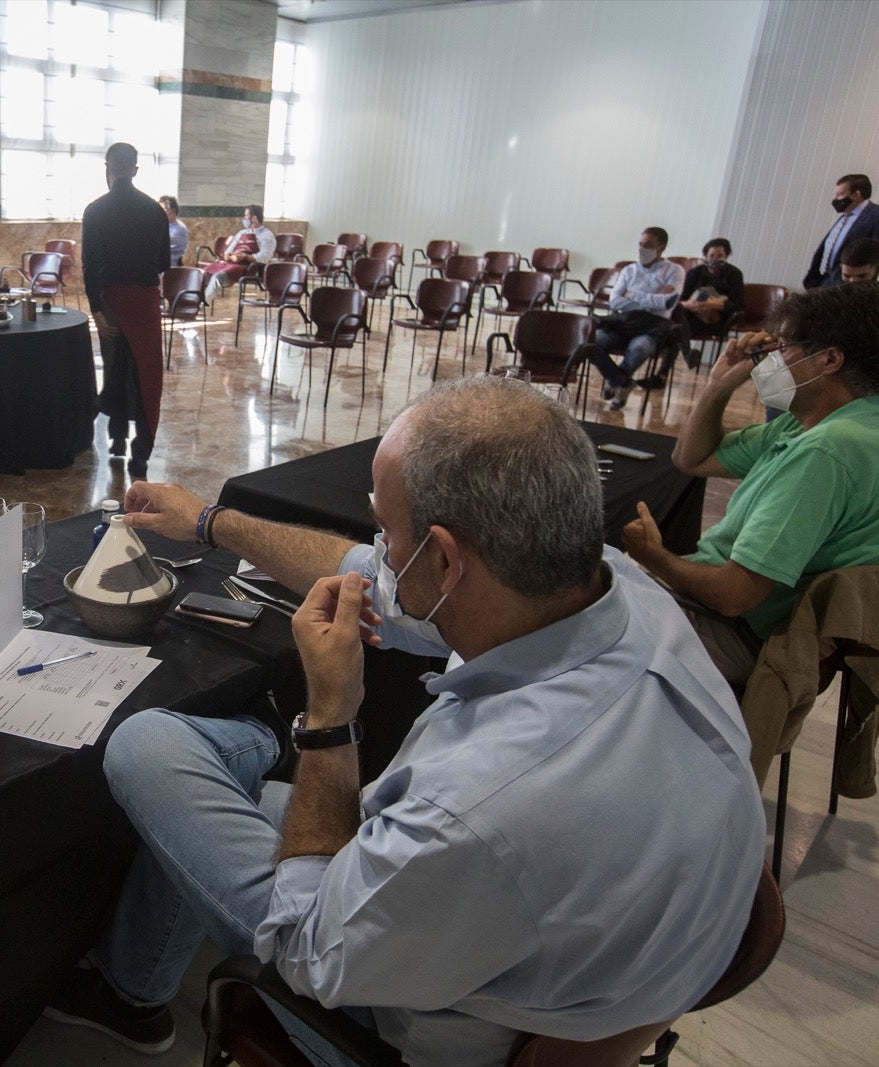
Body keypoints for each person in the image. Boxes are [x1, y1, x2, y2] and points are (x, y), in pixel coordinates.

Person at [45, 376, 765, 1067]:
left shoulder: (478, 805)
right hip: (591, 969)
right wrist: (211, 521)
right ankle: (138, 975)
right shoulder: (616, 585)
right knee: (220, 772)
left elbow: (311, 947)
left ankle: (250, 767)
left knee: (144, 745)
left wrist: (329, 719)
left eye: (387, 528)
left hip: (424, 1030)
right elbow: (379, 583)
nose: (380, 553)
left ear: (447, 558)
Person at [622, 282, 879, 687]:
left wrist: (654, 557)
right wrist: (719, 385)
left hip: (736, 637)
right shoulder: (860, 421)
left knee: (563, 616)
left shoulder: (828, 452)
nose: (770, 361)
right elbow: (689, 459)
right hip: (743, 623)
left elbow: (733, 595)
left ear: (829, 359)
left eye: (784, 348)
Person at [81, 143, 171, 478]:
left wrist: (97, 310)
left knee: (115, 371)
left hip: (112, 303)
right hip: (145, 303)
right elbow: (163, 263)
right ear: (135, 169)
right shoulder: (155, 211)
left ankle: (116, 440)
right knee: (147, 381)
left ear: (108, 168)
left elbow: (91, 266)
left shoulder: (95, 210)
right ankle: (141, 456)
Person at [584, 227, 683, 410]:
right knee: (591, 342)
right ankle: (621, 381)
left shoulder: (674, 271)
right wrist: (653, 298)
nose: (641, 249)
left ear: (661, 247)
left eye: (648, 245)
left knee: (639, 348)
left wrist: (631, 295)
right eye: (640, 244)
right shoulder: (629, 270)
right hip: (624, 322)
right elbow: (615, 301)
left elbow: (668, 303)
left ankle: (614, 381)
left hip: (652, 326)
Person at [644, 237, 745, 386]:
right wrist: (690, 304)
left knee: (676, 330)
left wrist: (714, 304)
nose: (715, 260)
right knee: (676, 326)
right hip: (690, 318)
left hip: (716, 321)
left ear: (727, 256)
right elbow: (680, 300)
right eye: (711, 256)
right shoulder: (695, 273)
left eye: (720, 256)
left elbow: (738, 306)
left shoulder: (734, 274)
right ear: (705, 256)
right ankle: (685, 356)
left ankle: (663, 375)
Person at [803, 173, 879, 290]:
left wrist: (858, 277)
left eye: (840, 194)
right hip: (824, 281)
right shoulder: (845, 217)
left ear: (856, 194)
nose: (835, 199)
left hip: (850, 285)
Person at [201, 204, 275, 303]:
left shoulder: (267, 236)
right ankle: (191, 302)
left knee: (217, 277)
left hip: (247, 268)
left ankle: (201, 305)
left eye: (246, 216)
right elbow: (229, 250)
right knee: (202, 274)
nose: (244, 219)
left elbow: (264, 257)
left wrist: (245, 257)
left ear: (254, 218)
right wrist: (228, 256)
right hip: (231, 262)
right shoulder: (242, 233)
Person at [158, 195, 187, 267]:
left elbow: (162, 245)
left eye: (164, 210)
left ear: (173, 211)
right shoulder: (163, 225)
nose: (160, 213)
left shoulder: (179, 229)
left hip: (170, 265)